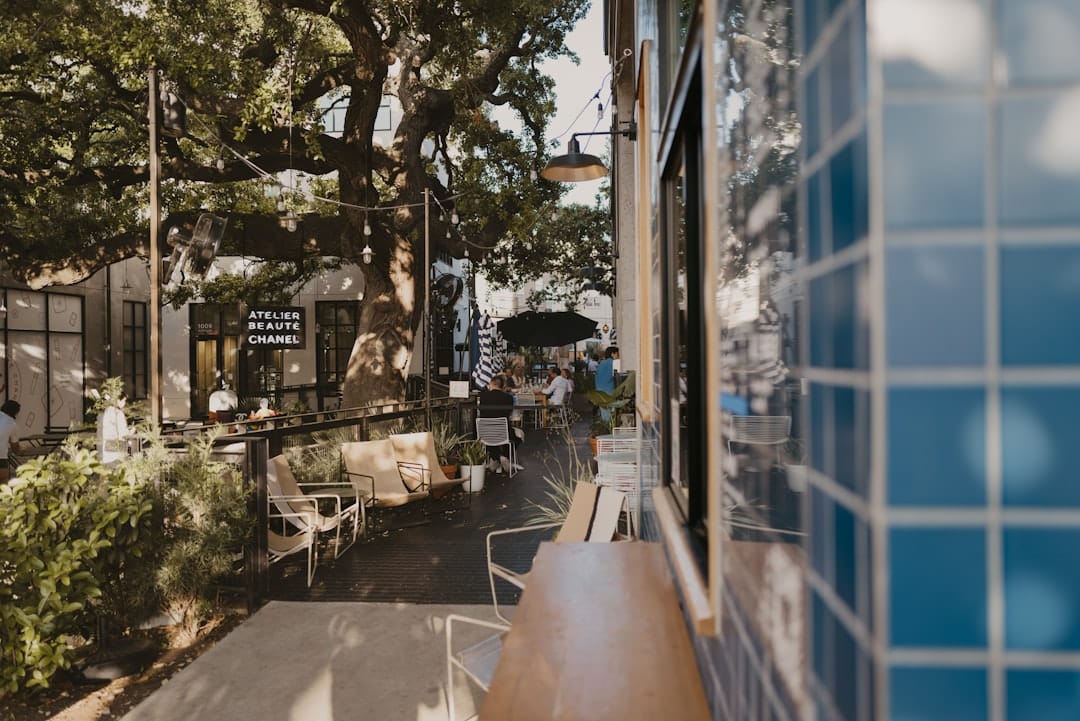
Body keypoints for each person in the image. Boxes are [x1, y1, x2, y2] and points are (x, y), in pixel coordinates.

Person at [477, 375, 522, 474]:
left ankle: (495, 458)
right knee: (517, 438)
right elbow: (509, 413)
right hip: (503, 432)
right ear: (502, 386)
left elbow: (481, 411)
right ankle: (504, 456)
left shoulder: (483, 397)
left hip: (485, 432)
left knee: (491, 440)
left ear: (491, 384)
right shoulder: (508, 398)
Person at [98, 392, 129, 465]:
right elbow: (123, 433)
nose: (124, 403)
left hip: (107, 445)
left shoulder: (107, 411)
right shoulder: (118, 413)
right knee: (118, 467)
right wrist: (130, 431)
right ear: (118, 400)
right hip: (117, 445)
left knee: (108, 467)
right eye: (124, 401)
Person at [0, 400, 21, 484]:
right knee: (3, 483)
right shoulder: (12, 424)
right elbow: (15, 447)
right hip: (1, 456)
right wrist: (19, 452)